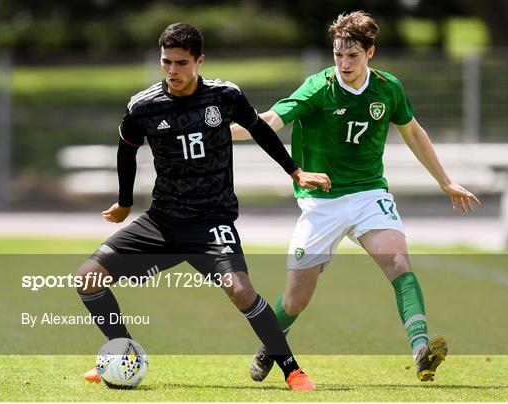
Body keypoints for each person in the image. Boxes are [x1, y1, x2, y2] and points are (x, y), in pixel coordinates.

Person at [76, 22, 331, 391]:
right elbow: (126, 150)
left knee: (242, 291)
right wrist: (125, 202)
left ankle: (292, 370)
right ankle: (122, 353)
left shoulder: (224, 96)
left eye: (181, 63)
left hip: (212, 221)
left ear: (199, 60)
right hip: (162, 221)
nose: (172, 71)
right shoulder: (143, 106)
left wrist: (295, 171)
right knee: (88, 278)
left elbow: (259, 129)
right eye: (166, 62)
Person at [231, 11, 481, 382]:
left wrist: (444, 181)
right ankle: (271, 344)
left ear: (370, 52)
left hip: (369, 194)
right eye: (338, 55)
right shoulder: (318, 87)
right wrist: (218, 133)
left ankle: (421, 349)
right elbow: (269, 121)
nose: (344, 63)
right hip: (321, 203)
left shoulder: (387, 88)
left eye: (352, 55)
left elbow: (412, 131)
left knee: (399, 263)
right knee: (296, 299)